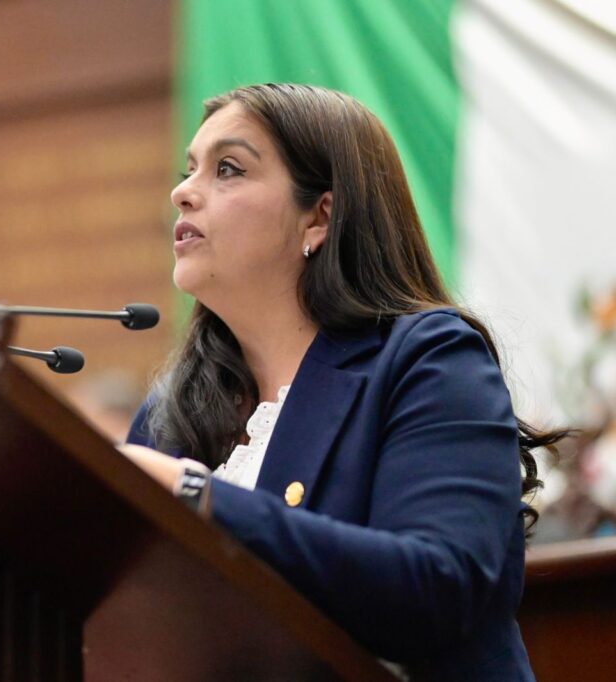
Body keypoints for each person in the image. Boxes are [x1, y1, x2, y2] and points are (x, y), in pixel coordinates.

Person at [120, 83, 565, 680]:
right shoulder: (170, 412)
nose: (183, 192)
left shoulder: (428, 359)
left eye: (228, 169)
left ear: (320, 216)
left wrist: (196, 495)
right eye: (189, 169)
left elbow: (436, 586)